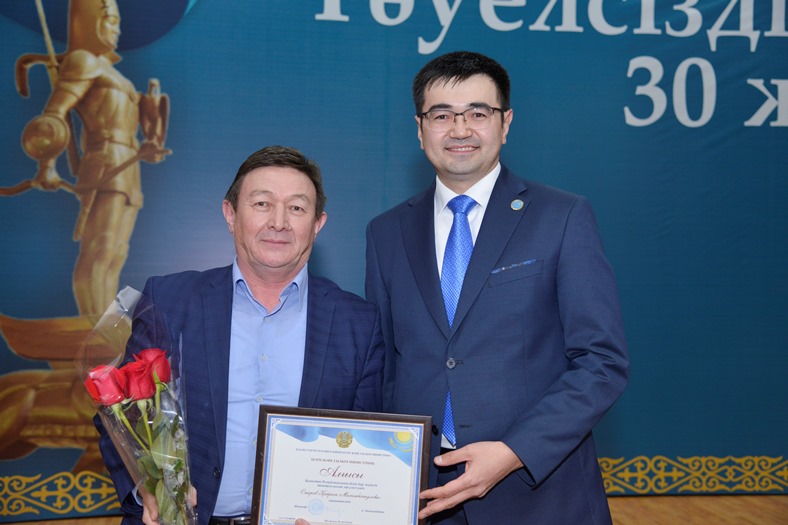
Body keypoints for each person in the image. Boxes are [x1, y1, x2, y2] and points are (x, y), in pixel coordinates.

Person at [364, 51, 630, 523]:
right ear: (420, 129)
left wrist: (513, 451)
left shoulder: (562, 217)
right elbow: (386, 368)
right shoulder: (386, 232)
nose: (460, 129)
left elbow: (601, 363)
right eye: (441, 115)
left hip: (538, 495)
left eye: (478, 113)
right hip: (423, 496)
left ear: (505, 123)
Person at [97, 145, 385, 525]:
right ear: (230, 214)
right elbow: (122, 420)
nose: (279, 222)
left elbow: (365, 445)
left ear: (317, 224)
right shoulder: (168, 301)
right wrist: (146, 489)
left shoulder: (358, 323)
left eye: (297, 208)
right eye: (262, 204)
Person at [18, 0, 169, 316]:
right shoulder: (84, 60)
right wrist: (46, 165)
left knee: (116, 253)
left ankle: (108, 328)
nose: (117, 29)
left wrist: (149, 142)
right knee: (100, 249)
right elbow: (54, 117)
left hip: (129, 165)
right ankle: (93, 325)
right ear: (88, 21)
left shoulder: (117, 76)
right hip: (104, 162)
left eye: (117, 22)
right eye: (109, 21)